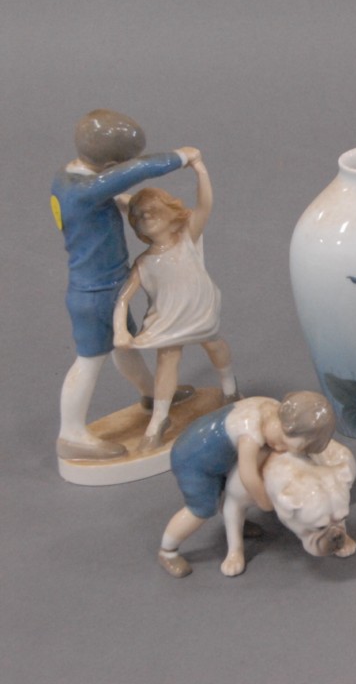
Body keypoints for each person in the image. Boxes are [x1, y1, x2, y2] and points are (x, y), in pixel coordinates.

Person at [50, 109, 198, 460]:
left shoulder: (67, 177)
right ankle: (70, 432)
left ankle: (151, 393)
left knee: (125, 346)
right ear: (111, 165)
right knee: (89, 361)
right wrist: (180, 157)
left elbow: (98, 200)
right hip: (95, 292)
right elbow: (137, 171)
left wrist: (117, 201)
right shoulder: (87, 190)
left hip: (107, 285)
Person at [114, 158, 238, 451]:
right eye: (140, 216)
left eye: (153, 211)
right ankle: (159, 419)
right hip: (169, 317)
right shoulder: (144, 263)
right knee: (167, 359)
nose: (147, 217)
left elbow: (205, 204)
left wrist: (200, 170)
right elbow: (123, 298)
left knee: (214, 345)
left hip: (199, 311)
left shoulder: (187, 238)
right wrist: (120, 329)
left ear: (171, 214)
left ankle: (230, 388)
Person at [157, 392, 336, 577]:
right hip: (192, 460)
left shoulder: (273, 407)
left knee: (227, 491)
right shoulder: (249, 434)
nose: (280, 449)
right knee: (202, 509)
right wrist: (265, 502)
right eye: (283, 442)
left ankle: (238, 523)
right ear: (287, 427)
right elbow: (247, 475)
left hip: (213, 455)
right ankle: (167, 551)